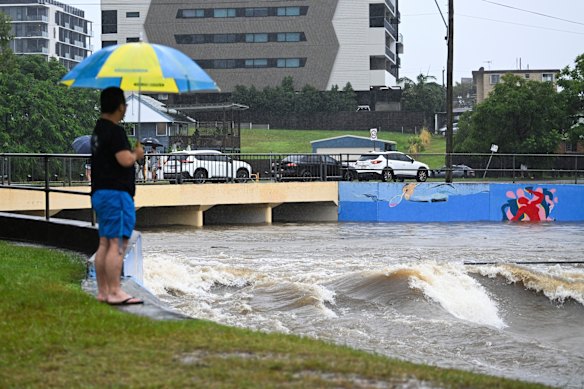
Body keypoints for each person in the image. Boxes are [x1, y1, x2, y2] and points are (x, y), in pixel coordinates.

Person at [91, 87, 145, 305]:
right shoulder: (116, 132)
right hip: (117, 195)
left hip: (100, 193)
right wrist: (137, 154)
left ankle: (103, 291)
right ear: (121, 106)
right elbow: (124, 160)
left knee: (105, 243)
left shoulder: (98, 130)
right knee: (117, 244)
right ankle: (115, 292)